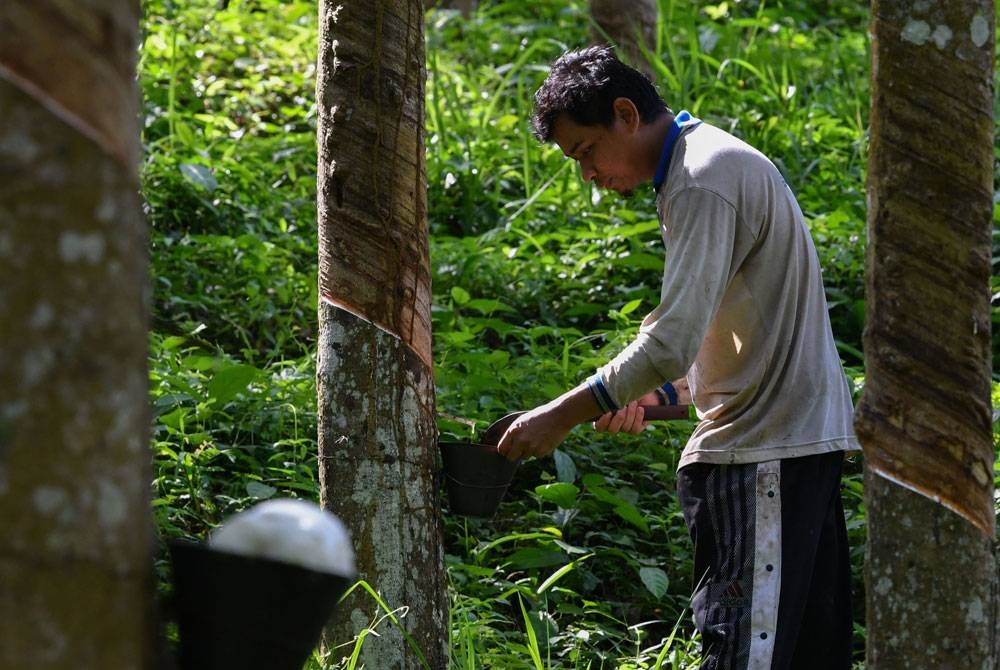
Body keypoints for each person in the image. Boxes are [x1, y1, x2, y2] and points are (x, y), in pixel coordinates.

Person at [497, 45, 860, 670]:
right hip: (797, 449)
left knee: (745, 654)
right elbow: (731, 350)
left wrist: (558, 415)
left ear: (625, 113)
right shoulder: (706, 167)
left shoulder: (700, 180)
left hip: (762, 457)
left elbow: (669, 343)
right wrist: (649, 396)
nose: (588, 174)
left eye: (585, 151)